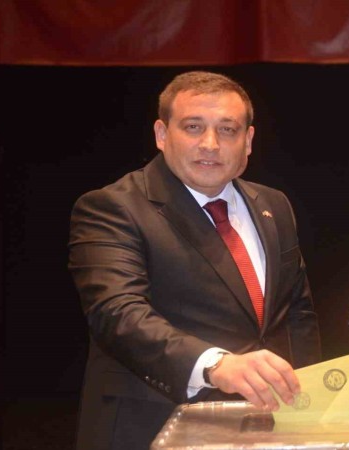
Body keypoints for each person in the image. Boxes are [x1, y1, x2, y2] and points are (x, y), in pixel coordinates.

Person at [68, 71, 321, 450]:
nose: (210, 144)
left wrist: (309, 404)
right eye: (193, 127)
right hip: (152, 426)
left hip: (268, 425)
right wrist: (216, 365)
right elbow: (117, 313)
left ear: (248, 141)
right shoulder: (112, 207)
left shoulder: (273, 205)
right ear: (161, 134)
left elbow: (296, 313)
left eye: (227, 130)